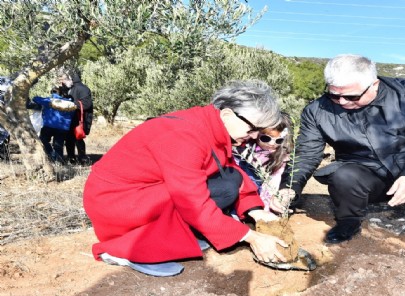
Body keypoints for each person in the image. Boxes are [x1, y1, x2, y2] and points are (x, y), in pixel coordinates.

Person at [83, 80, 288, 277]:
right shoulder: (185, 135)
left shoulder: (210, 125)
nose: (253, 137)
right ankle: (128, 250)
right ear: (227, 114)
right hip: (117, 202)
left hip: (144, 193)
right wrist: (250, 237)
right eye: (252, 129)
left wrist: (257, 211)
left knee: (228, 182)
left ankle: (179, 235)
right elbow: (192, 202)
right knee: (200, 196)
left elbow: (230, 171)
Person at [271, 54, 405, 244]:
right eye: (334, 95)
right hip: (365, 178)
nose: (342, 102)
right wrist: (290, 187)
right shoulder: (317, 111)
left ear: (373, 85)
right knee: (343, 175)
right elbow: (307, 153)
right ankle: (348, 221)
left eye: (351, 97)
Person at [234, 112, 293, 213]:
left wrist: (266, 207)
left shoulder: (281, 157)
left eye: (278, 140)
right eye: (266, 138)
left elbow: (273, 183)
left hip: (264, 198)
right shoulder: (243, 151)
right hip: (242, 195)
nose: (271, 143)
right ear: (256, 134)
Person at [58, 69, 93, 164]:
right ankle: (71, 159)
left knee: (78, 139)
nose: (64, 81)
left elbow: (87, 104)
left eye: (65, 79)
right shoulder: (70, 88)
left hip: (79, 119)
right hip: (71, 119)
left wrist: (69, 104)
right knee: (69, 139)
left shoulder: (82, 89)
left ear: (71, 79)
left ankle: (82, 158)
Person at [31, 87, 74, 162]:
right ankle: (58, 161)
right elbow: (72, 114)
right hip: (63, 128)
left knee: (43, 140)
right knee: (59, 145)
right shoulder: (69, 103)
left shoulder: (49, 101)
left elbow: (35, 98)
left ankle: (50, 152)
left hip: (49, 125)